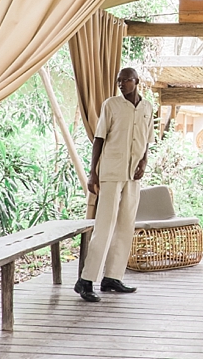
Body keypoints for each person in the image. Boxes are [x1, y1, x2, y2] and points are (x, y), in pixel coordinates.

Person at [74, 67, 154, 303]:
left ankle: (112, 277)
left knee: (125, 226)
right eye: (119, 81)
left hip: (133, 175)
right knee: (105, 225)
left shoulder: (147, 108)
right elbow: (98, 139)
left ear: (136, 81)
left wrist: (144, 163)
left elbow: (147, 140)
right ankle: (86, 281)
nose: (121, 84)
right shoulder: (111, 105)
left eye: (126, 80)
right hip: (110, 172)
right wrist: (92, 174)